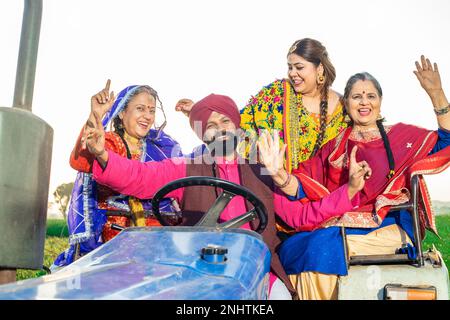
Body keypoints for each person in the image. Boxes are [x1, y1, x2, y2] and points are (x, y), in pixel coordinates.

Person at [83, 93, 370, 300]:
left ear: (236, 127)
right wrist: (101, 153)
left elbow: (302, 216)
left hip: (257, 269)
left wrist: (351, 190)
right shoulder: (184, 167)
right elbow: (140, 177)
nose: (219, 128)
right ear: (203, 135)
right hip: (201, 267)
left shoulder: (261, 170)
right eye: (210, 125)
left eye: (224, 121)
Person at [258, 55, 450, 299]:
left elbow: (447, 139)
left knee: (319, 246)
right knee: (292, 247)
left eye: (371, 96)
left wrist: (437, 94)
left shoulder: (402, 137)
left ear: (380, 102)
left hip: (389, 224)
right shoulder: (334, 147)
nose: (364, 102)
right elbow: (303, 184)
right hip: (338, 226)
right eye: (356, 96)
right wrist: (279, 174)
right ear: (346, 103)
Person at [53, 80, 183, 268]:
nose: (147, 116)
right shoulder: (109, 142)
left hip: (159, 237)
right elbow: (80, 161)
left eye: (152, 110)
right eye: (140, 108)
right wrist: (95, 115)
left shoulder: (162, 147)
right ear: (122, 113)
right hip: (113, 236)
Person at [176, 38, 348, 172]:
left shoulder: (344, 107)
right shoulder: (277, 93)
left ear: (319, 69)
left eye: (299, 67)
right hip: (274, 185)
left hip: (325, 192)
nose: (292, 73)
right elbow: (239, 122)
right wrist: (200, 111)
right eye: (290, 67)